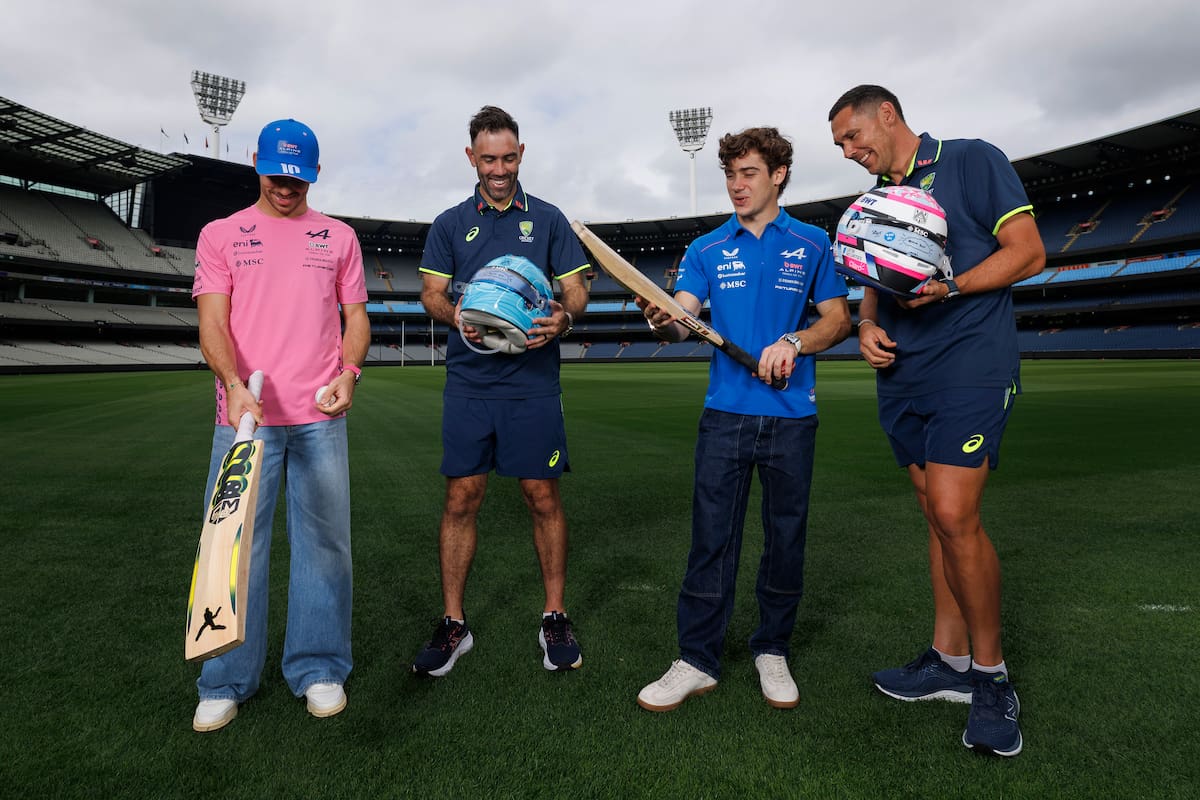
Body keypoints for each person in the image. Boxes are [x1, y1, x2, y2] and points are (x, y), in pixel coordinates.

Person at [828, 85, 1046, 757]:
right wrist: (865, 325)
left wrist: (952, 285)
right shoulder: (872, 199)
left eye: (853, 136)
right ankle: (947, 661)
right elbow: (871, 276)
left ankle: (991, 678)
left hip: (970, 363)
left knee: (954, 512)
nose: (849, 152)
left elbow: (1029, 252)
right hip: (903, 371)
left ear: (887, 115)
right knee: (934, 513)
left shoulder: (972, 160)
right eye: (840, 146)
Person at [637, 127, 851, 712]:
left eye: (748, 173)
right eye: (730, 174)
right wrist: (663, 319)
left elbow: (837, 320)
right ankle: (696, 659)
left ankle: (771, 650)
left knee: (785, 538)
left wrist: (796, 341)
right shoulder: (706, 248)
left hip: (791, 416)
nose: (736, 185)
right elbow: (684, 318)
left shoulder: (811, 242)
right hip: (724, 415)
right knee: (711, 540)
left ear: (778, 175)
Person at [190, 118, 369, 732]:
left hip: (319, 416)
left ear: (312, 174)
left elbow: (356, 320)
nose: (287, 186)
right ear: (257, 165)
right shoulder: (220, 235)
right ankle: (223, 680)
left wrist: (350, 373)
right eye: (277, 174)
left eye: (298, 176)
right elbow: (212, 324)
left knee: (326, 548)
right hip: (245, 420)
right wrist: (235, 387)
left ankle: (319, 668)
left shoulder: (339, 237)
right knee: (234, 551)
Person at [414, 105, 589, 676]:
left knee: (543, 497)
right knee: (461, 497)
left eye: (509, 157)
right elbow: (432, 294)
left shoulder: (550, 220)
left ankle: (554, 615)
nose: (499, 168)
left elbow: (577, 294)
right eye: (488, 158)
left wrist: (562, 320)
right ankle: (453, 623)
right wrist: (455, 313)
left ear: (521, 154)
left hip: (533, 384)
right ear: (471, 157)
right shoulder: (449, 223)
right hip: (469, 382)